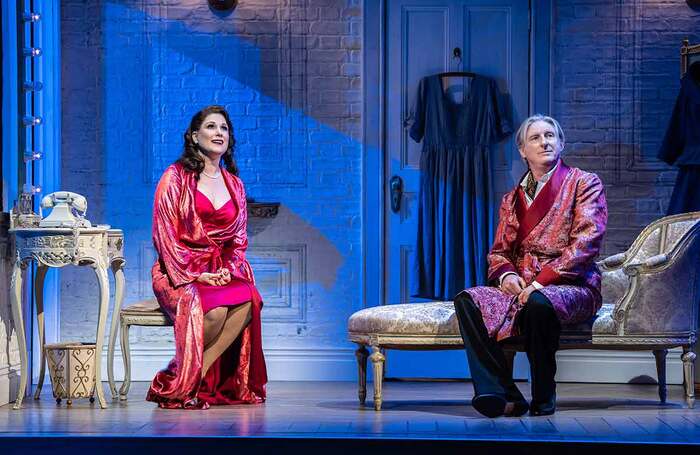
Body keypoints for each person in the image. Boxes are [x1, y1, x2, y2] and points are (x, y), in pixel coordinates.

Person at [453, 114, 607, 417]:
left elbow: (587, 241)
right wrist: (507, 275)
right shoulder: (512, 199)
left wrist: (541, 282)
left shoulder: (584, 183)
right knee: (468, 300)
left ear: (561, 143)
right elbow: (499, 252)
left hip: (572, 284)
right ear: (523, 151)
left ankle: (543, 396)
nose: (544, 142)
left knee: (538, 303)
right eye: (535, 138)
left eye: (550, 136)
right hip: (524, 284)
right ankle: (500, 392)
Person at [146, 105, 267, 409]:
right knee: (212, 311)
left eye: (224, 128)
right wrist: (195, 274)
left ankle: (194, 378)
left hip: (220, 270)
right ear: (194, 135)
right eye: (211, 127)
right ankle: (180, 377)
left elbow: (239, 240)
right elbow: (165, 236)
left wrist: (227, 269)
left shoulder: (235, 185)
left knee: (248, 298)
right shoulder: (175, 177)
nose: (218, 133)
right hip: (178, 270)